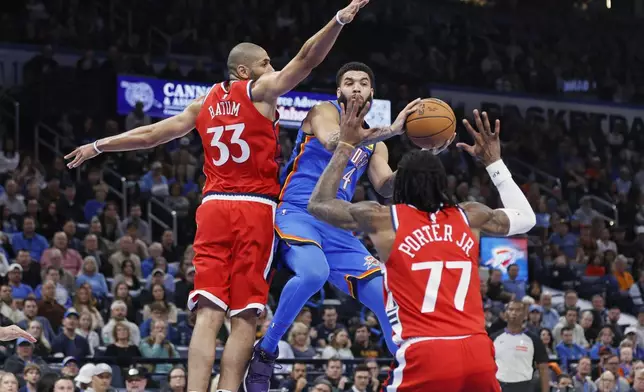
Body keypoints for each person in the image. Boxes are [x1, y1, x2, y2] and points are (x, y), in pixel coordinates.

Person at [65, 2, 369, 391]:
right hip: (254, 208)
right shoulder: (260, 91)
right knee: (244, 315)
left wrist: (97, 146)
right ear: (245, 71)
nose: (272, 68)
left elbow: (150, 135)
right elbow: (307, 60)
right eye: (265, 63)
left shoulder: (203, 102)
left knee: (208, 311)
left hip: (212, 208)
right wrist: (339, 20)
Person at [307, 102, 536, 391]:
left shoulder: (384, 219)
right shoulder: (471, 215)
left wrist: (346, 144)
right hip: (477, 348)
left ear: (399, 183)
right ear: (442, 182)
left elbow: (318, 204)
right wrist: (494, 163)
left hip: (426, 350)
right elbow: (527, 218)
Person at [246, 61, 420, 391]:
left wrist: (421, 163)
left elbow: (384, 185)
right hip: (298, 211)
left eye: (364, 83)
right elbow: (334, 141)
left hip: (338, 223)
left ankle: (408, 377)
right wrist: (395, 129)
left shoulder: (377, 144)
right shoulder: (322, 111)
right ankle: (266, 351)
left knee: (390, 293)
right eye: (350, 82)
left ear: (371, 92)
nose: (356, 87)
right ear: (339, 91)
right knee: (314, 272)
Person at [491, 301, 550, 392]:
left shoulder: (534, 340)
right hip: (499, 386)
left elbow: (543, 369)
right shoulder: (494, 338)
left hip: (524, 387)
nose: (514, 313)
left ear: (525, 315)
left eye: (518, 310)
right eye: (511, 309)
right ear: (505, 314)